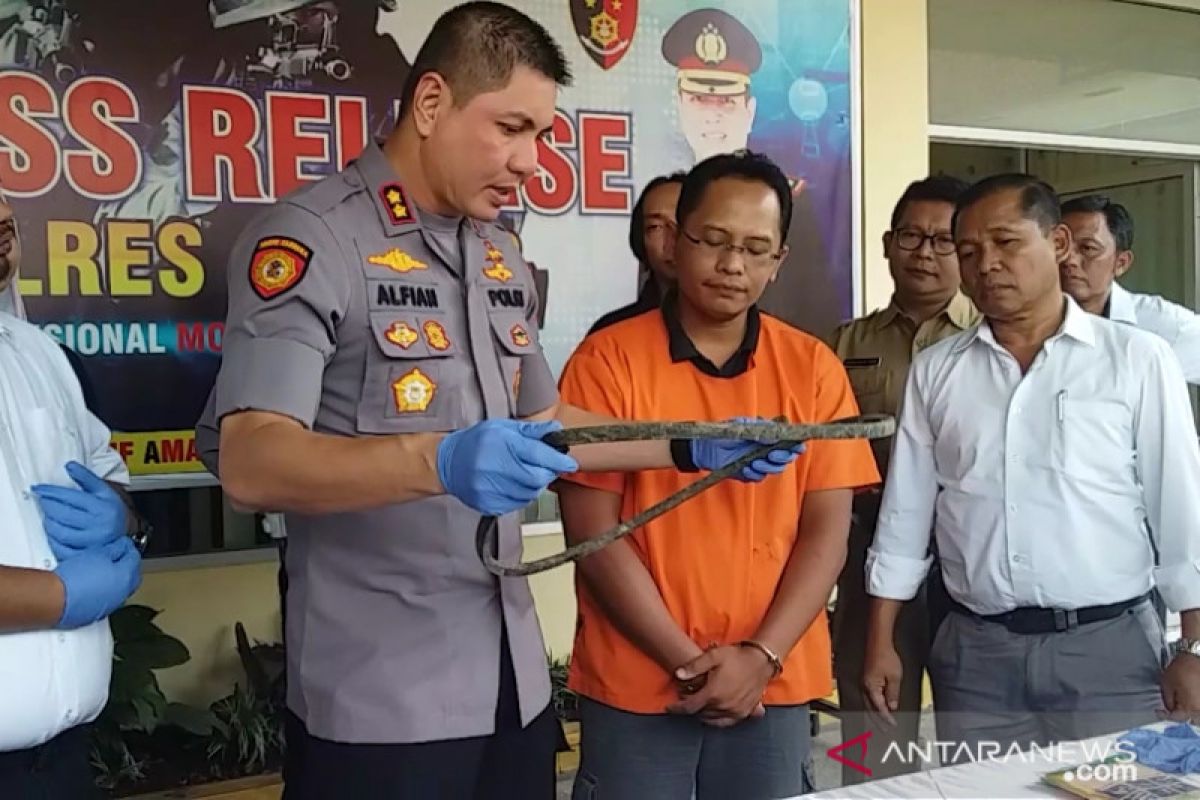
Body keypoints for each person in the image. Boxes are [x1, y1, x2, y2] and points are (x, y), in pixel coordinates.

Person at [196, 4, 800, 798]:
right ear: (432, 102)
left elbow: (550, 430)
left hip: (512, 684)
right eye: (512, 127)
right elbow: (250, 459)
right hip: (383, 698)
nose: (531, 161)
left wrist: (697, 440)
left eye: (544, 135)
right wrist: (438, 459)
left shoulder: (498, 254)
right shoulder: (313, 241)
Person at [555, 151, 880, 800]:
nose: (734, 265)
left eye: (756, 249)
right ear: (675, 242)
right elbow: (593, 532)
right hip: (639, 683)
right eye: (714, 241)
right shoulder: (607, 360)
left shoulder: (812, 368)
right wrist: (685, 660)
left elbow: (827, 533)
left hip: (773, 680)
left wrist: (759, 658)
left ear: (778, 261)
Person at [863, 173, 1200, 759]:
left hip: (1108, 650)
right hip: (976, 654)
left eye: (1006, 242)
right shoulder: (938, 370)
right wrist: (879, 640)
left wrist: (1194, 650)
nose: (986, 264)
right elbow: (906, 515)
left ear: (1059, 243)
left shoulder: (1136, 359)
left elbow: (1181, 510)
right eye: (968, 252)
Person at [827, 175, 975, 783]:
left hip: (971, 558)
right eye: (912, 236)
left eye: (944, 240)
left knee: (980, 736)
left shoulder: (992, 341)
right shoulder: (843, 345)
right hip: (869, 554)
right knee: (876, 732)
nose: (924, 252)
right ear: (888, 244)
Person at [0, 196, 143, 798]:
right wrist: (60, 596)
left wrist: (118, 517)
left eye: (5, 226)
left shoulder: (39, 353)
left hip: (60, 765)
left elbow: (108, 475)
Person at [660, 8, 843, 337]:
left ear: (749, 111)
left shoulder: (790, 202)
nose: (731, 265)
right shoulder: (612, 359)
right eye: (700, 99)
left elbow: (815, 307)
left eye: (726, 103)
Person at [1060, 193, 1200, 383]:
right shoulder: (1021, 321)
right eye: (1060, 246)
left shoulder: (1158, 325)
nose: (1069, 260)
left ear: (1121, 263)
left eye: (1087, 248)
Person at [587, 172, 684, 334]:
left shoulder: (737, 331)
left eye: (683, 222)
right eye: (656, 227)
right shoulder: (611, 333)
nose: (673, 239)